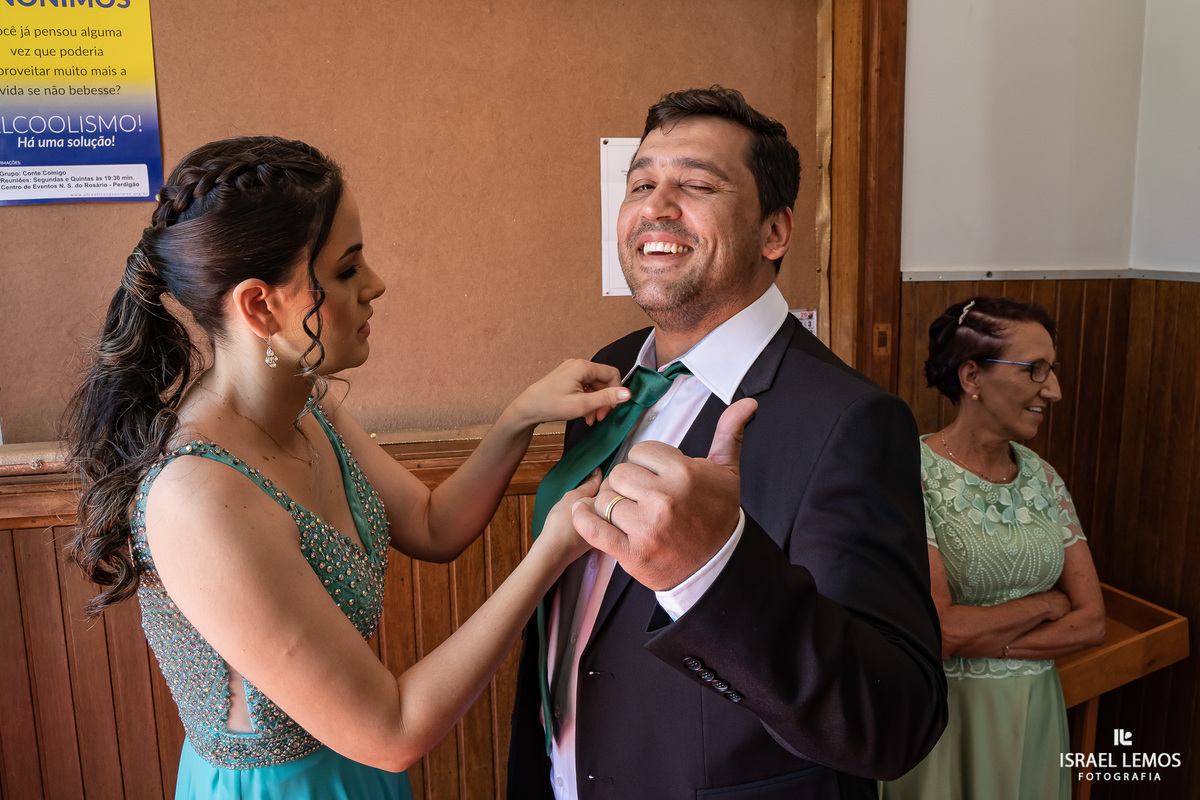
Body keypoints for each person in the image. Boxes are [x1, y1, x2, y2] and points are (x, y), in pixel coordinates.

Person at [66, 136, 632, 799]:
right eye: (346, 270)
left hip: (358, 764)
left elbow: (433, 525)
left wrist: (520, 416)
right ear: (258, 305)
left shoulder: (312, 405)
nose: (376, 285)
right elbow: (393, 730)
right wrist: (552, 551)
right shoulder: (197, 496)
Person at [507, 86, 947, 800]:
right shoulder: (611, 372)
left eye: (697, 185)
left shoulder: (850, 421)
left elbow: (897, 721)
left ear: (774, 232)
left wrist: (714, 572)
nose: (656, 206)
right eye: (641, 184)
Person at [881, 296, 1106, 800]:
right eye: (1034, 370)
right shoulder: (911, 474)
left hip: (1035, 708)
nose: (1054, 389)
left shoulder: (1043, 477)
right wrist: (1045, 605)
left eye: (1052, 370)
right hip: (948, 713)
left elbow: (1092, 621)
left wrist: (993, 642)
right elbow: (942, 631)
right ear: (971, 377)